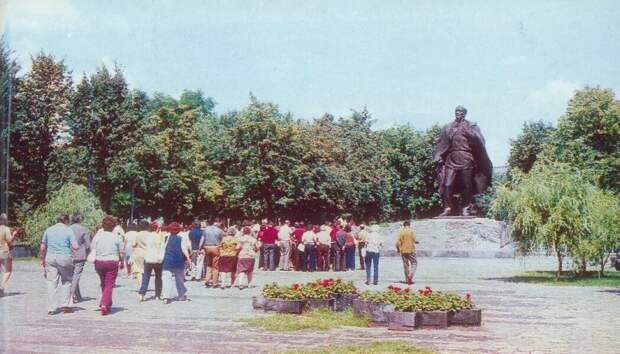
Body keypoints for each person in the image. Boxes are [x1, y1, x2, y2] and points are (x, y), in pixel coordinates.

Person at [434, 105, 492, 216]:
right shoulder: (448, 126)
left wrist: (469, 132)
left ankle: (466, 207)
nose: (457, 113)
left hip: (466, 158)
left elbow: (480, 140)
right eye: (456, 111)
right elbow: (441, 143)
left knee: (467, 185)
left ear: (464, 114)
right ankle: (447, 207)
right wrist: (439, 156)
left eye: (460, 112)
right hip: (451, 158)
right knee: (447, 184)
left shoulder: (471, 126)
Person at [40, 214, 79, 315]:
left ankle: (51, 308)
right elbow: (75, 246)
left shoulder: (48, 230)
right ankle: (65, 305)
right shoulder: (68, 230)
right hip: (64, 257)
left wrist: (42, 259)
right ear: (66, 220)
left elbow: (43, 247)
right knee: (66, 281)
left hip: (50, 257)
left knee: (51, 282)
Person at [91, 215, 125, 315]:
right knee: (109, 284)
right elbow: (121, 252)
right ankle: (105, 304)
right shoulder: (117, 237)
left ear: (103, 226)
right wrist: (122, 262)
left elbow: (93, 247)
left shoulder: (97, 236)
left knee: (103, 283)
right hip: (112, 262)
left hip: (99, 262)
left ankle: (107, 302)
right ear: (113, 226)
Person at [161, 222, 190, 304]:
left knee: (166, 279)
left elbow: (162, 248)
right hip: (178, 260)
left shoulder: (165, 237)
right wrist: (188, 258)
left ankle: (166, 297)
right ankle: (181, 295)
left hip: (167, 260)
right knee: (179, 279)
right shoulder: (182, 237)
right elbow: (184, 248)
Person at [138, 221, 164, 301]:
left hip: (148, 258)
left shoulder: (148, 236)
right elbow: (162, 248)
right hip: (157, 259)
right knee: (158, 277)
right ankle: (157, 294)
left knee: (146, 276)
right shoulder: (159, 237)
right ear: (157, 229)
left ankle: (142, 293)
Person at [69, 213, 91, 303]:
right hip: (80, 255)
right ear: (80, 220)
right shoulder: (84, 230)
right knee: (76, 276)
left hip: (68, 255)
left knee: (72, 276)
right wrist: (89, 253)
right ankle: (71, 295)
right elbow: (88, 245)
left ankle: (78, 295)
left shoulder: (67, 229)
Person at [203, 218, 224, 287]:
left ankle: (207, 280)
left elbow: (202, 239)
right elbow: (222, 241)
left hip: (207, 247)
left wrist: (200, 248)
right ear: (217, 222)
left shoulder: (206, 229)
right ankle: (215, 282)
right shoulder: (220, 231)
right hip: (215, 247)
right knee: (215, 266)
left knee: (208, 265)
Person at [0, 213, 15, 297]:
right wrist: (14, 234)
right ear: (5, 220)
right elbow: (9, 241)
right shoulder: (6, 229)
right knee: (8, 271)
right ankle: (1, 287)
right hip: (4, 252)